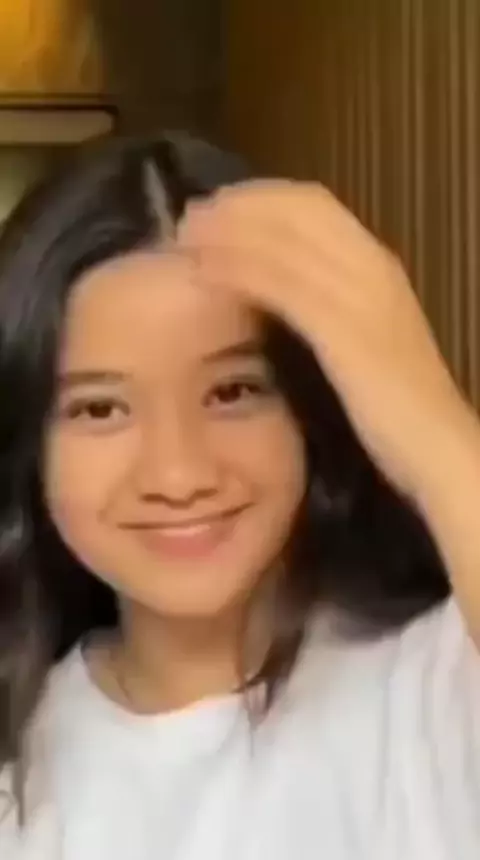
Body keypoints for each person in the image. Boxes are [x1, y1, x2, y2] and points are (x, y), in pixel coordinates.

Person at [0, 132, 478, 860]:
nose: (180, 474)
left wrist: (429, 425)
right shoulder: (21, 767)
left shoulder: (435, 688)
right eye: (99, 408)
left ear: (312, 406)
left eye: (233, 392)